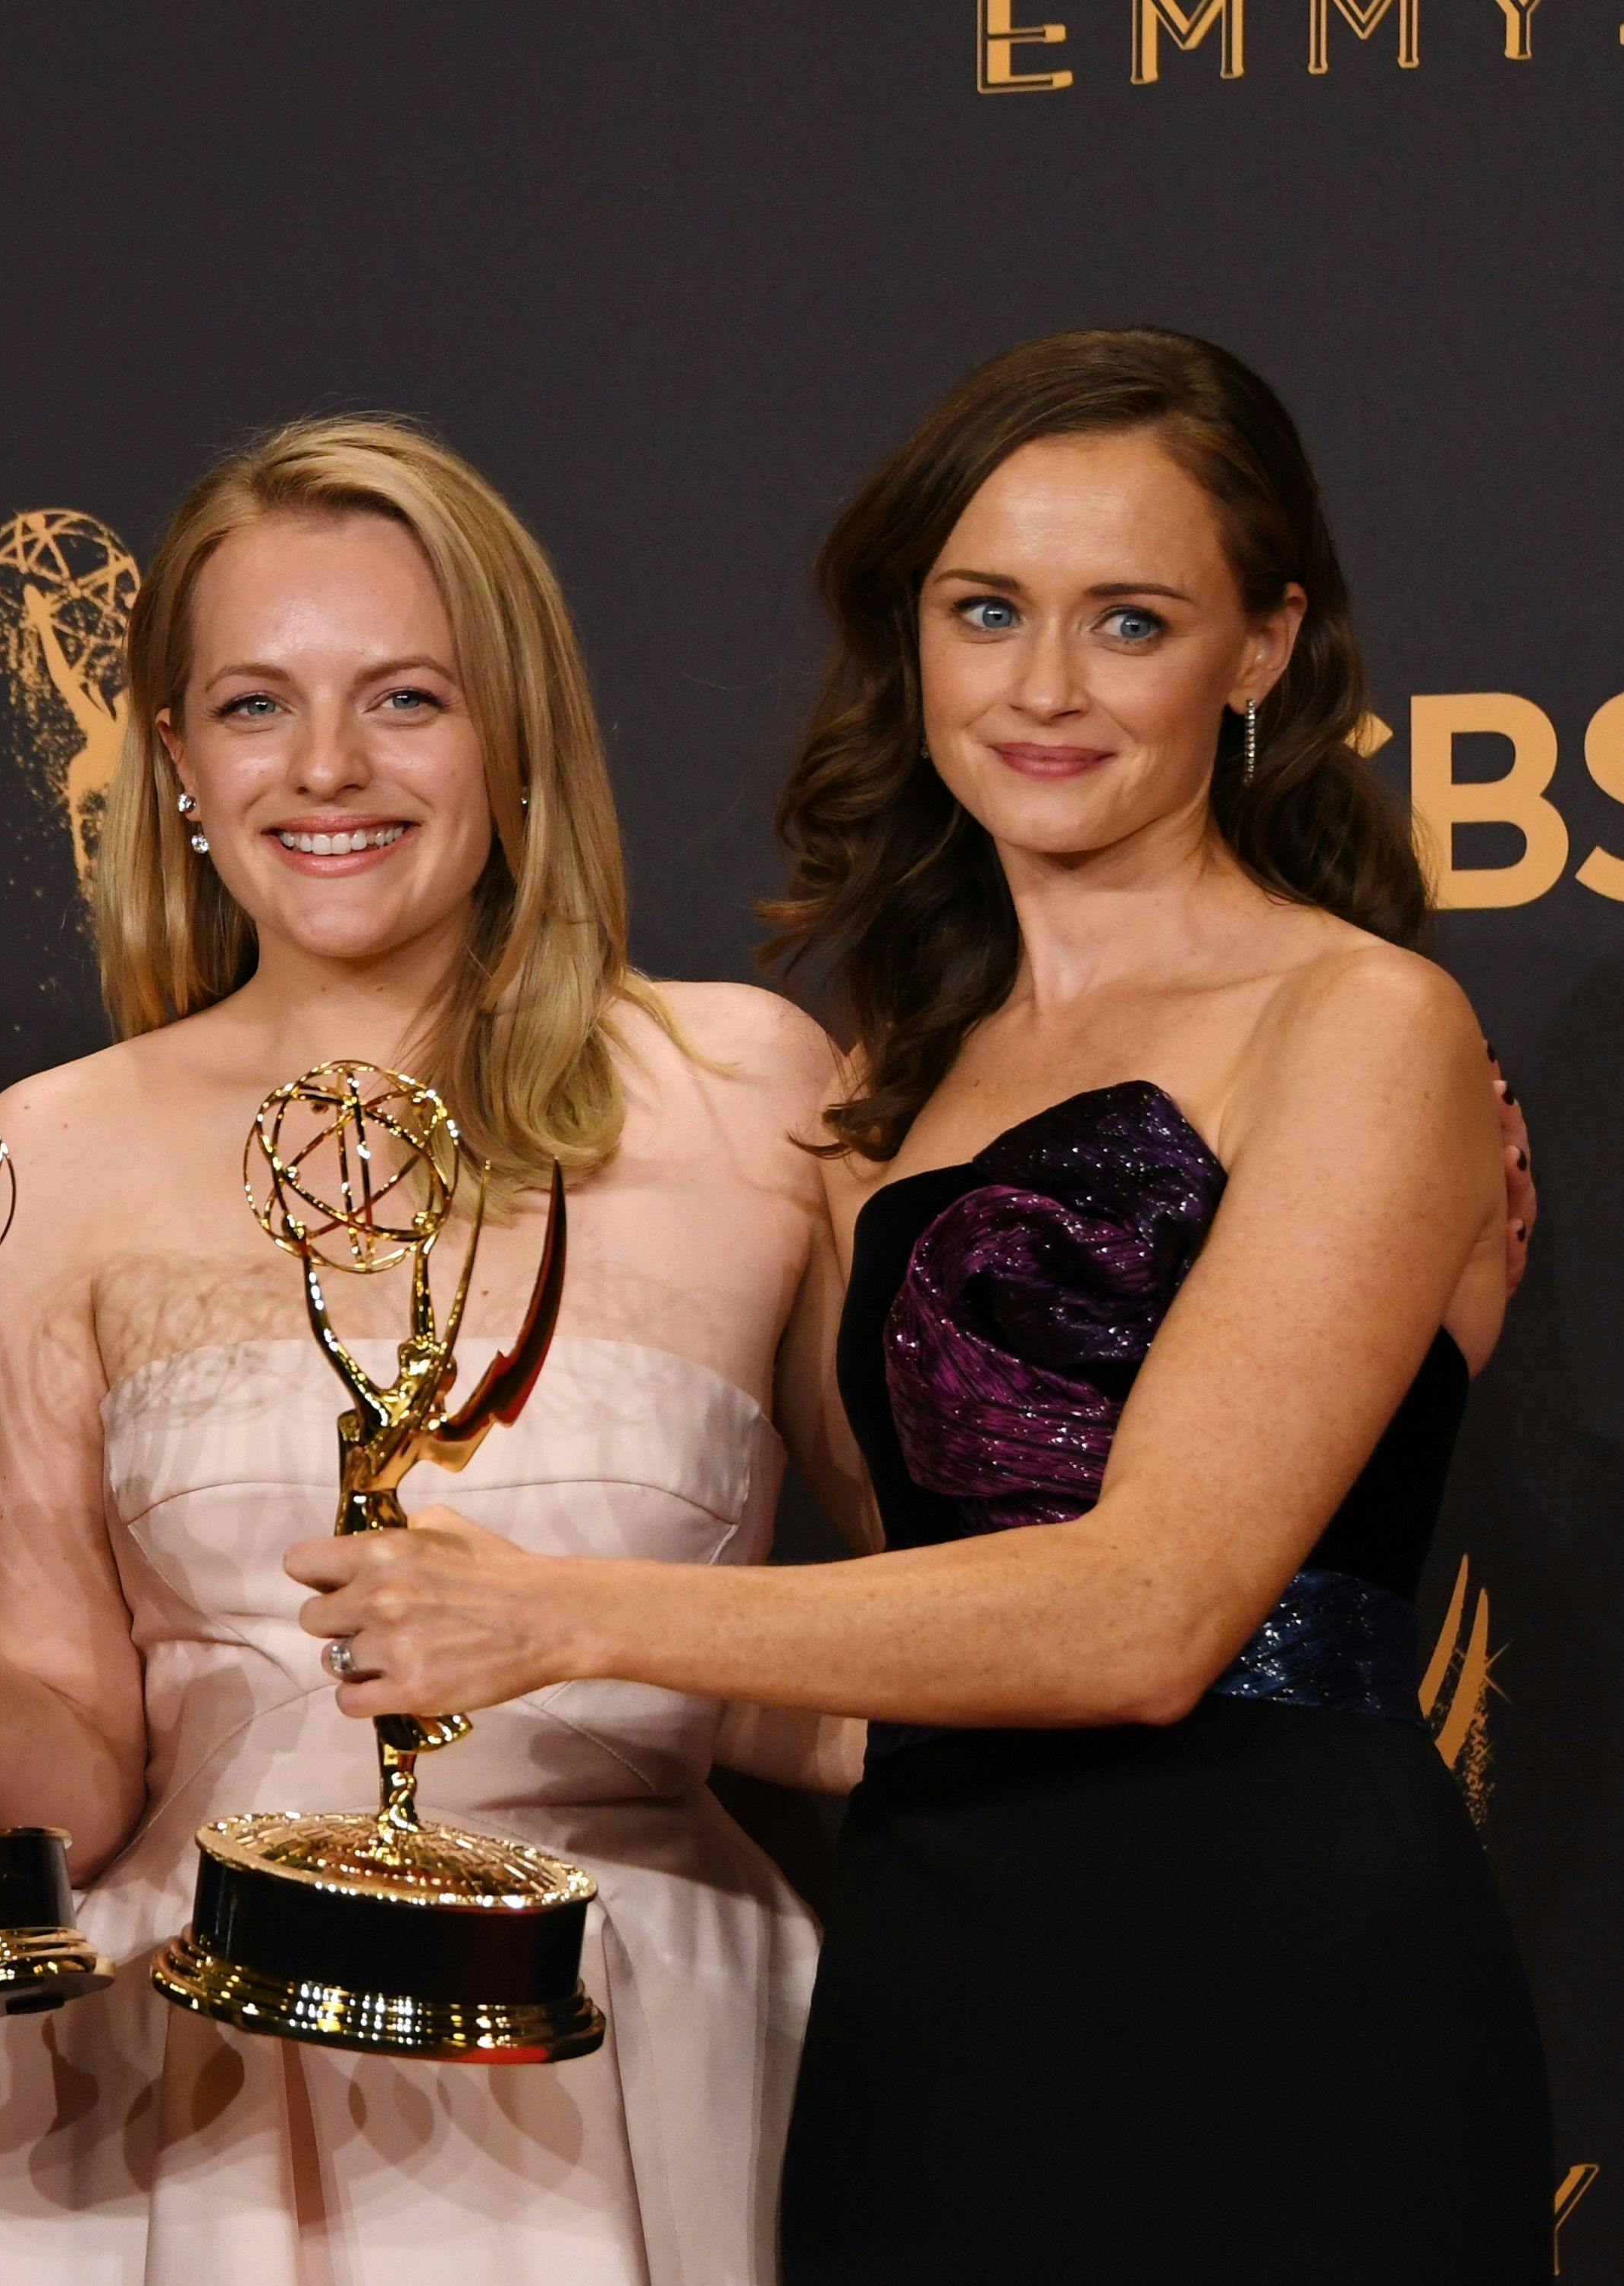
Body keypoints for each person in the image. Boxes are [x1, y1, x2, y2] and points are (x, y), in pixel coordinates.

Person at [285, 332, 1553, 2282]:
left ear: (1265, 647)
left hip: (1277, 1974)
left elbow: (1149, 1611)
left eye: (1130, 620)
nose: (1043, 687)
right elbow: (908, 1611)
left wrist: (557, 1614)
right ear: (911, 635)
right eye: (986, 611)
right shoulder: (886, 1089)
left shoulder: (1364, 1021)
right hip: (938, 1984)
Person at [0, 415, 862, 2285]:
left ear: (517, 733)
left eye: (406, 697)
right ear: (175, 758)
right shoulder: (46, 1151)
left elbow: (908, 1650)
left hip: (637, 2049)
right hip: (184, 2085)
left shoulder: (746, 1088)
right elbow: (82, 1779)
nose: (328, 767)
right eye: (256, 706)